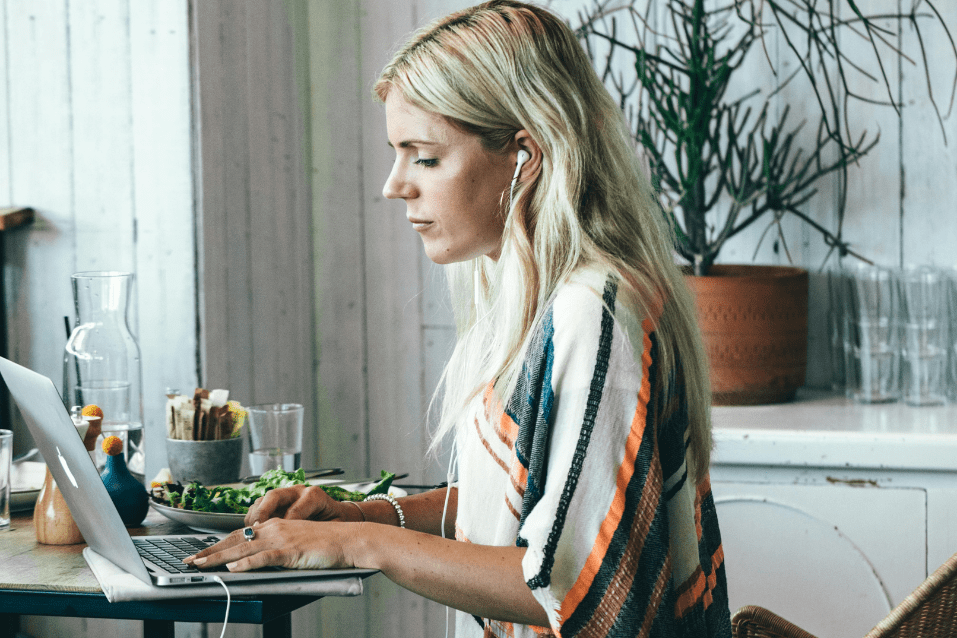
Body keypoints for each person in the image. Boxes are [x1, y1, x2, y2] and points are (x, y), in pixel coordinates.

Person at [186, 2, 731, 636]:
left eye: (424, 157)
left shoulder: (594, 310)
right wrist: (362, 516)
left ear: (525, 156)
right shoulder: (526, 293)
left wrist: (360, 546)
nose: (395, 186)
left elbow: (571, 585)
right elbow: (523, 515)